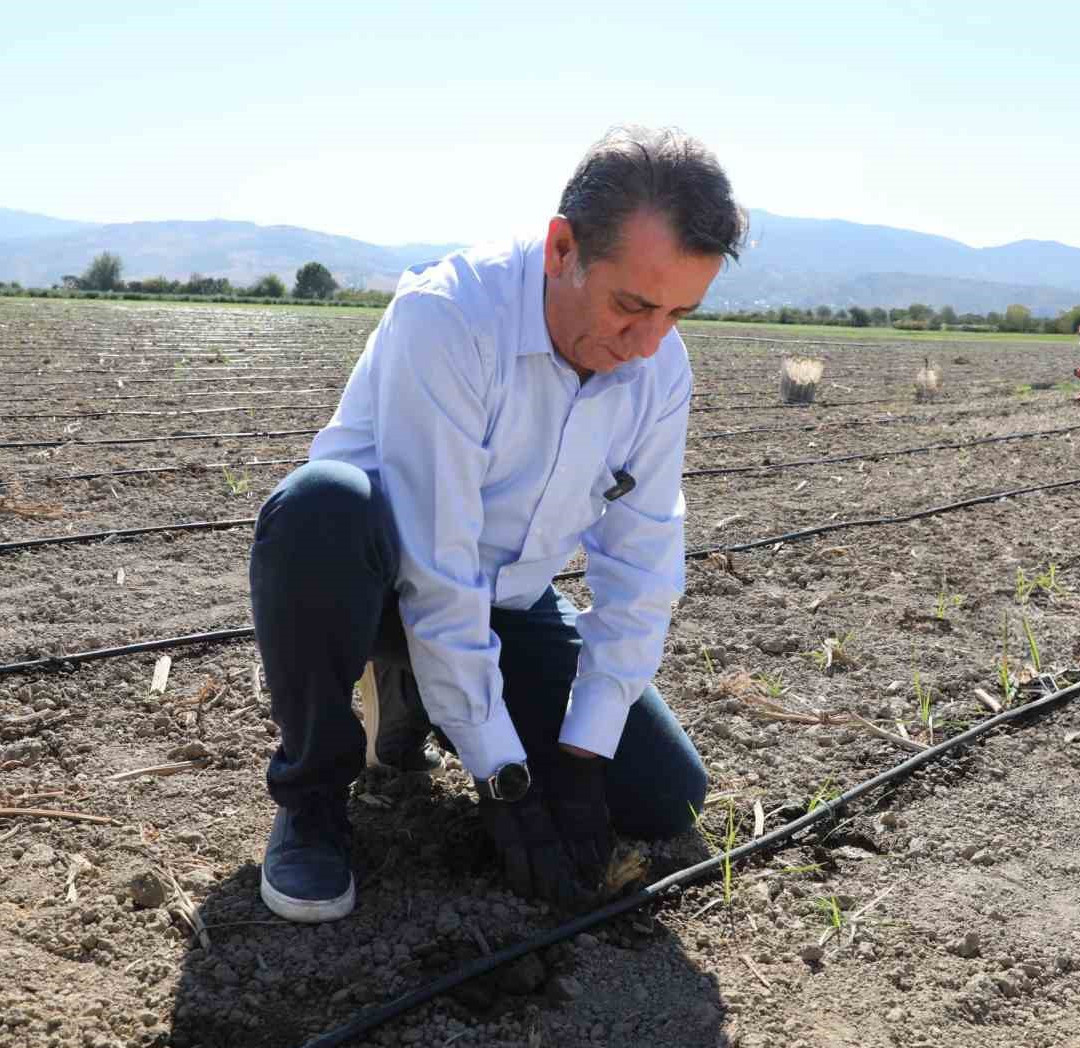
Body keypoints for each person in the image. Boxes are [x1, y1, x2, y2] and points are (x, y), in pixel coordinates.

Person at [248, 126, 746, 923]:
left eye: (680, 313)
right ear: (561, 249)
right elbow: (438, 564)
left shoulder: (658, 366)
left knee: (664, 796)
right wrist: (500, 773)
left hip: (508, 600)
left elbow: (644, 561)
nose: (648, 342)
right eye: (632, 305)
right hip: (374, 583)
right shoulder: (448, 320)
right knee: (322, 506)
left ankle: (419, 696)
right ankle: (311, 796)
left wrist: (582, 755)